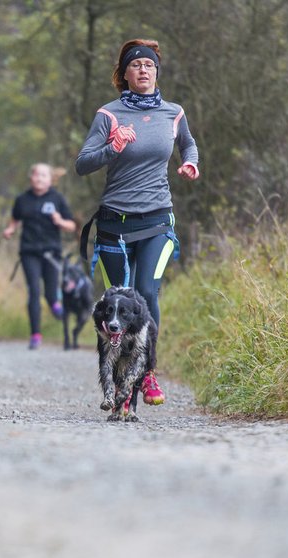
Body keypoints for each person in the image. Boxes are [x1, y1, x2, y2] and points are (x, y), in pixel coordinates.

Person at [75, 38, 200, 405]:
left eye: (149, 65)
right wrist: (112, 147)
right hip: (115, 223)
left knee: (145, 293)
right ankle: (120, 384)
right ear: (124, 74)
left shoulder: (173, 113)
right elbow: (83, 163)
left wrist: (191, 162)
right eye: (135, 65)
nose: (143, 70)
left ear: (156, 72)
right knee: (119, 301)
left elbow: (188, 144)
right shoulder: (108, 115)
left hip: (158, 219)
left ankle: (147, 373)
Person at [3, 163, 76, 350]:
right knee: (34, 291)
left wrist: (60, 221)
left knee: (50, 294)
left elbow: (72, 226)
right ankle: (35, 334)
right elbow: (15, 218)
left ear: (51, 180)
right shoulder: (22, 199)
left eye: (44, 175)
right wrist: (10, 229)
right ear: (31, 178)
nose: (39, 178)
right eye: (36, 175)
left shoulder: (57, 199)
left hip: (51, 252)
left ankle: (56, 307)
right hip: (29, 252)